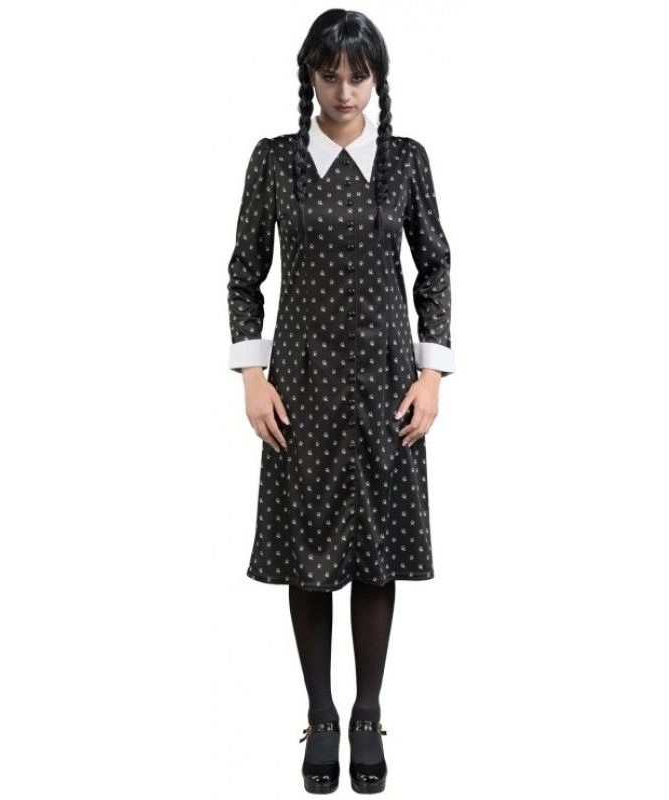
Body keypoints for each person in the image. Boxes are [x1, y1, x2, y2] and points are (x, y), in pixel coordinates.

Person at [226, 9, 453, 794]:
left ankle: (367, 712)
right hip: (301, 385)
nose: (345, 91)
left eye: (359, 76)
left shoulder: (406, 161)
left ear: (377, 78)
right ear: (309, 77)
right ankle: (320, 713)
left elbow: (435, 266)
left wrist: (432, 374)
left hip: (389, 382)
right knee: (308, 548)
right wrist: (252, 376)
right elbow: (243, 273)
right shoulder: (276, 162)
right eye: (330, 76)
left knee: (377, 548)